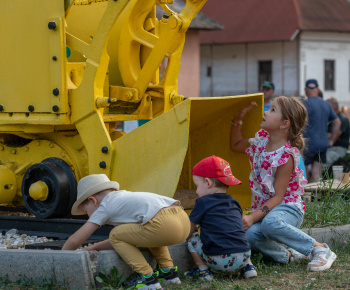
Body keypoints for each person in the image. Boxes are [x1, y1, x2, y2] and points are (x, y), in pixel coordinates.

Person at [230, 96, 337, 271]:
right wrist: (237, 120)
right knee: (248, 235)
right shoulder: (260, 143)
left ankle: (319, 248)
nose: (265, 112)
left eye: (272, 110)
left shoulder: (285, 155)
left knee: (269, 224)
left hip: (288, 208)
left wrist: (251, 217)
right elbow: (235, 145)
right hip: (268, 211)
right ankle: (289, 255)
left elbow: (279, 197)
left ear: (284, 123)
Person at [62, 174, 190, 290]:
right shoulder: (123, 198)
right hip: (182, 220)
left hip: (163, 224)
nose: (88, 216)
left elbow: (75, 239)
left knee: (117, 233)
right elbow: (126, 238)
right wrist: (95, 247)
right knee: (145, 230)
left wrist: (62, 257)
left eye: (86, 212)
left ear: (92, 200)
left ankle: (148, 279)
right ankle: (169, 274)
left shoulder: (105, 205)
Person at [184, 156, 256, 281]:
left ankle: (204, 272)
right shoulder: (235, 203)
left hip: (217, 260)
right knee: (238, 235)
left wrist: (185, 237)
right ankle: (249, 268)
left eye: (197, 185)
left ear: (208, 182)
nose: (196, 191)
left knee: (193, 240)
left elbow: (190, 226)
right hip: (244, 256)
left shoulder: (202, 202)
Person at [302, 79, 341, 182]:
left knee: (304, 174)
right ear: (318, 90)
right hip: (322, 144)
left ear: (305, 90)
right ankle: (318, 198)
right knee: (316, 173)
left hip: (307, 144)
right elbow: (337, 122)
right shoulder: (326, 104)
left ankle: (306, 198)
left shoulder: (303, 104)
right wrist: (332, 140)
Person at [325, 97, 350, 167]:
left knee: (319, 165)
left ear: (334, 106)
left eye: (327, 105)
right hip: (330, 149)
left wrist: (329, 136)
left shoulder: (343, 119)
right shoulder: (330, 120)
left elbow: (335, 136)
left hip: (337, 149)